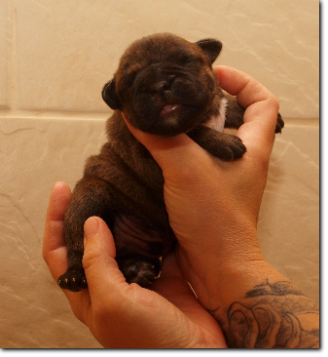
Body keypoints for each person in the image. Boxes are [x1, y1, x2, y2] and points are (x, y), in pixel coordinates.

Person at [43, 66, 319, 348]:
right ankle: (85, 262)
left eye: (182, 65)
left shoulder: (211, 102)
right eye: (145, 85)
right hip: (119, 200)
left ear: (207, 64)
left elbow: (218, 109)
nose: (165, 87)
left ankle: (135, 264)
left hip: (170, 233)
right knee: (87, 198)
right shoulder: (132, 123)